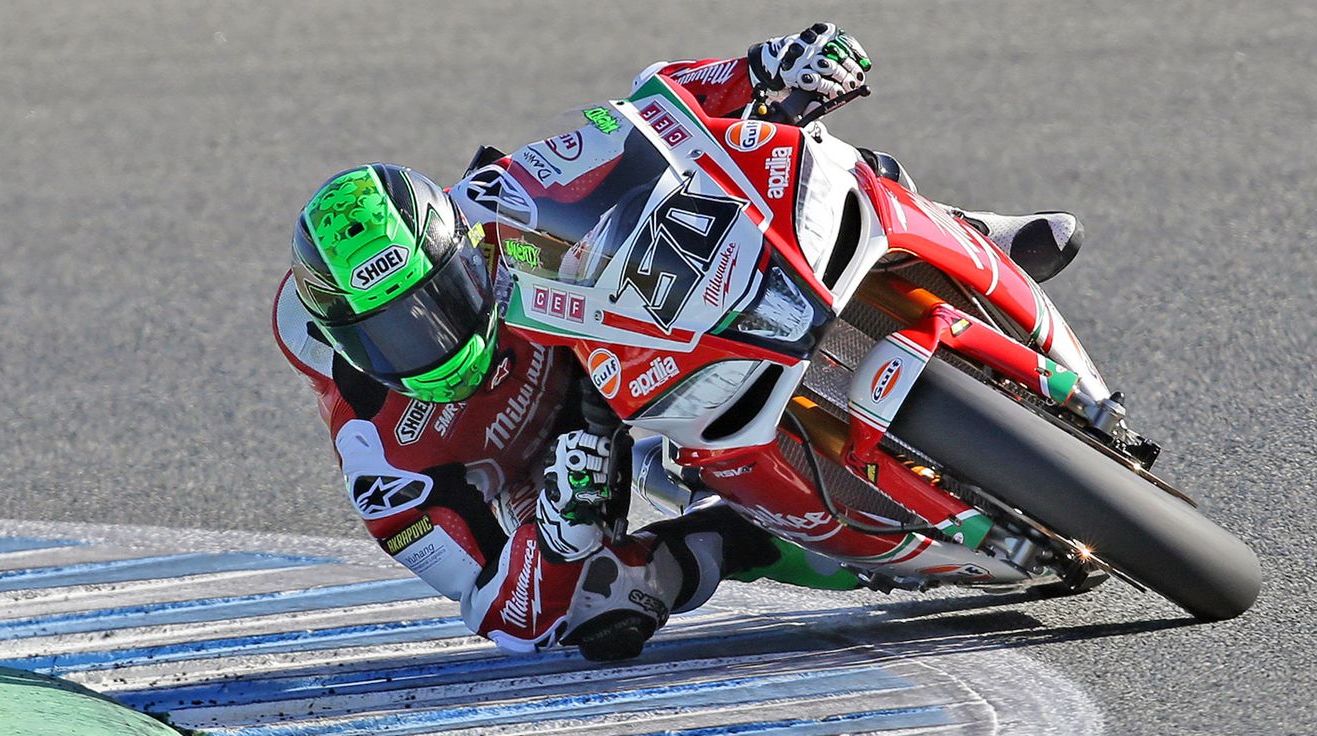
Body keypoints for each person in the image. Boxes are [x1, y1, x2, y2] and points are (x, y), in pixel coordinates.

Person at [272, 24, 1083, 662]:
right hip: (565, 470)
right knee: (598, 610)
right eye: (392, 334)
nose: (432, 336)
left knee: (784, 161)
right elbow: (500, 615)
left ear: (458, 249)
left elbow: (646, 120)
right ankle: (786, 535)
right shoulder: (381, 461)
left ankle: (965, 230)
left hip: (610, 340)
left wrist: (762, 75)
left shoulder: (489, 207)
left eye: (441, 300)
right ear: (341, 341)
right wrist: (557, 532)